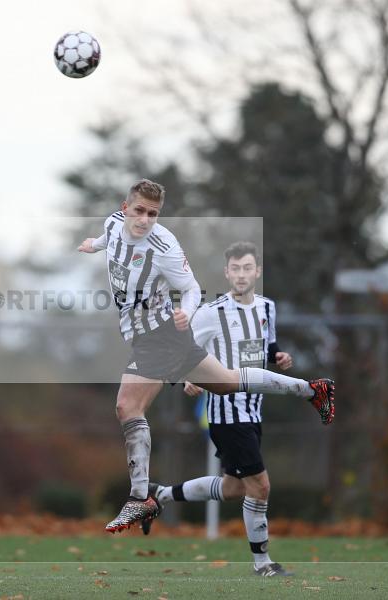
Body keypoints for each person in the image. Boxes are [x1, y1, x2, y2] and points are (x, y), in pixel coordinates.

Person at [77, 180, 335, 534]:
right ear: (125, 208)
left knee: (127, 407)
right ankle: (312, 390)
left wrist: (185, 312)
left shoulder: (164, 245)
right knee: (228, 383)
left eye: (153, 214)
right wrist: (94, 245)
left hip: (160, 334)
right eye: (139, 211)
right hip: (148, 337)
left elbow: (190, 289)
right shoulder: (111, 223)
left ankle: (139, 497)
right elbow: (110, 238)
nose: (145, 219)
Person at [145, 241, 328, 577]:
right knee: (261, 486)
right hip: (226, 413)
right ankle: (263, 565)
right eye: (235, 268)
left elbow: (265, 345)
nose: (242, 274)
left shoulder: (267, 308)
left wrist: (278, 356)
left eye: (248, 268)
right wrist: (189, 378)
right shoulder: (210, 312)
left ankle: (161, 494)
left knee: (233, 488)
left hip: (254, 411)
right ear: (227, 272)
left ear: (257, 272)